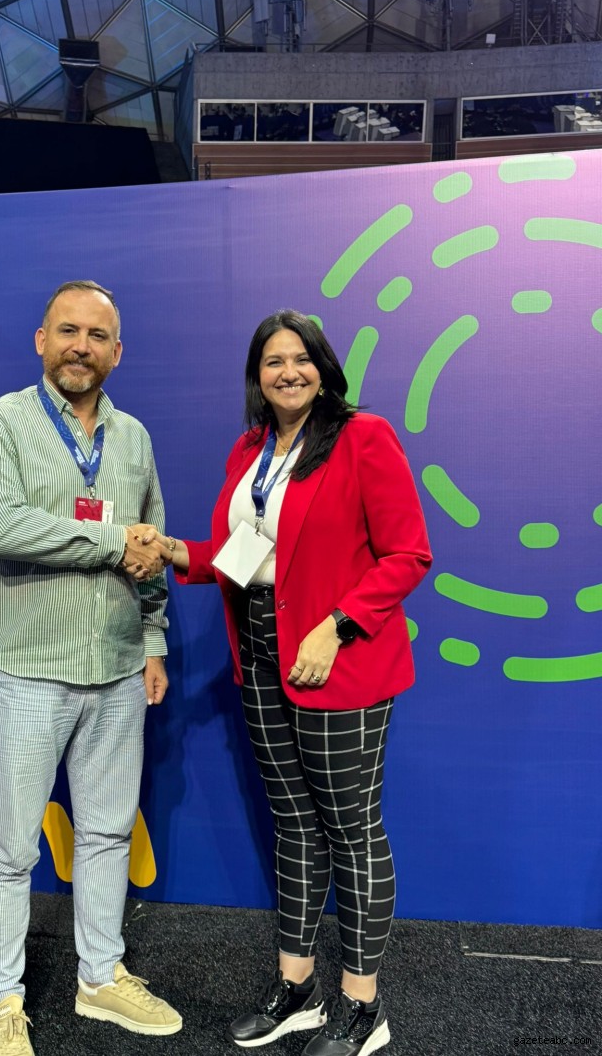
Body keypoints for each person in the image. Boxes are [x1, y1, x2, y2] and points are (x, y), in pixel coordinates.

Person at [143, 310, 431, 1056]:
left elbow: (407, 554)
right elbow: (240, 554)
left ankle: (362, 1006)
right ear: (258, 376)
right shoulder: (251, 449)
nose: (288, 371)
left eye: (301, 358)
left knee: (351, 831)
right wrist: (173, 550)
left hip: (339, 655)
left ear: (323, 369)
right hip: (261, 653)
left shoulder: (363, 437)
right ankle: (297, 988)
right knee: (295, 823)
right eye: (273, 361)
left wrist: (336, 626)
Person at [0, 280, 181, 1056]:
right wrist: (113, 541)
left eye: (96, 335)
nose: (80, 346)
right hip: (27, 669)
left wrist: (152, 637)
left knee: (107, 832)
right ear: (41, 339)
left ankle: (99, 976)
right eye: (67, 330)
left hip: (118, 668)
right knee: (10, 847)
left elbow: (152, 541)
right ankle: (0, 1001)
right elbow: (6, 526)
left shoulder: (134, 437)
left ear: (117, 351)